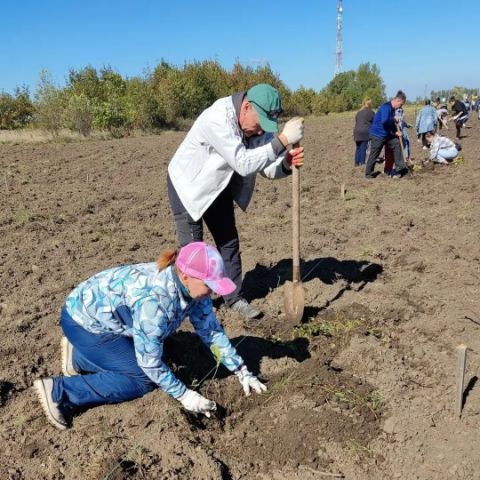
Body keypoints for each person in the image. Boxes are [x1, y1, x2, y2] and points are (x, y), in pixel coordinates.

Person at [33, 242, 267, 430]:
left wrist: (241, 371)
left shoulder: (194, 291)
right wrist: (184, 395)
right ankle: (61, 392)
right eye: (209, 284)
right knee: (142, 380)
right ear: (185, 276)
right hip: (82, 322)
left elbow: (211, 332)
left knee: (160, 349)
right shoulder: (156, 303)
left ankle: (80, 358)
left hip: (103, 320)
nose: (213, 290)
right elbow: (150, 363)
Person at [167, 83, 305, 319]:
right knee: (193, 252)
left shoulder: (257, 127)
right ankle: (191, 305)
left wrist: (285, 163)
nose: (261, 132)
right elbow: (243, 163)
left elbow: (268, 167)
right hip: (188, 187)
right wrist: (282, 141)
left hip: (219, 186)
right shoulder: (217, 118)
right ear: (247, 107)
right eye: (260, 124)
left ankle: (234, 298)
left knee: (229, 243)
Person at [365, 90, 408, 179]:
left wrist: (395, 128)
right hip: (378, 134)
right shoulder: (386, 107)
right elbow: (385, 121)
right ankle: (368, 173)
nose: (400, 107)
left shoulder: (392, 110)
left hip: (386, 134)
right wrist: (394, 128)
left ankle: (400, 168)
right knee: (375, 153)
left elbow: (390, 124)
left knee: (396, 143)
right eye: (401, 105)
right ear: (397, 100)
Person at [353, 97, 375, 166]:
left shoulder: (358, 112)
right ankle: (362, 163)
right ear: (370, 104)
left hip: (356, 131)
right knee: (363, 147)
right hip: (365, 131)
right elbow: (374, 122)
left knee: (358, 147)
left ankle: (356, 163)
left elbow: (357, 121)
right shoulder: (371, 112)